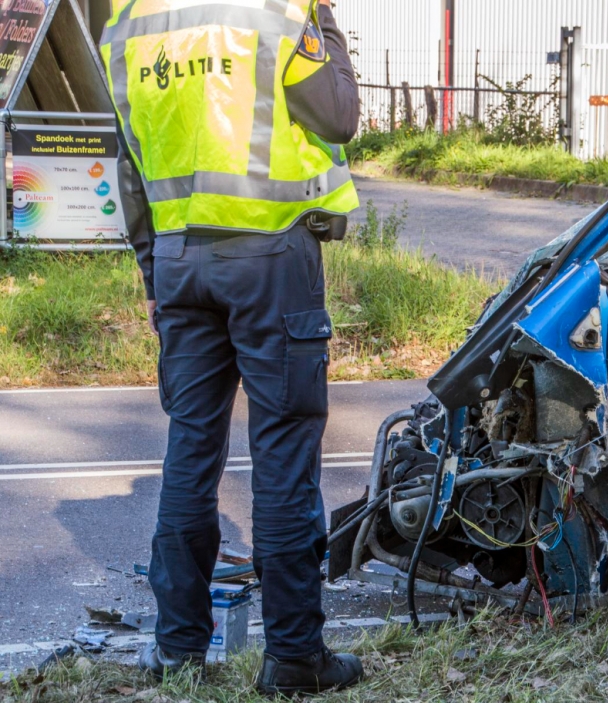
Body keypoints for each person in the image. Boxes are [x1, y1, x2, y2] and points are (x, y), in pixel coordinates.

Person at [101, 0, 363, 695]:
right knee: (282, 450)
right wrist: (326, 21)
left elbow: (128, 159)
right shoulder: (278, 10)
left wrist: (149, 265)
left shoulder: (131, 19)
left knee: (190, 447)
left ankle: (178, 647)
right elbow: (337, 115)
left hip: (179, 259)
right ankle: (293, 658)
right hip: (269, 254)